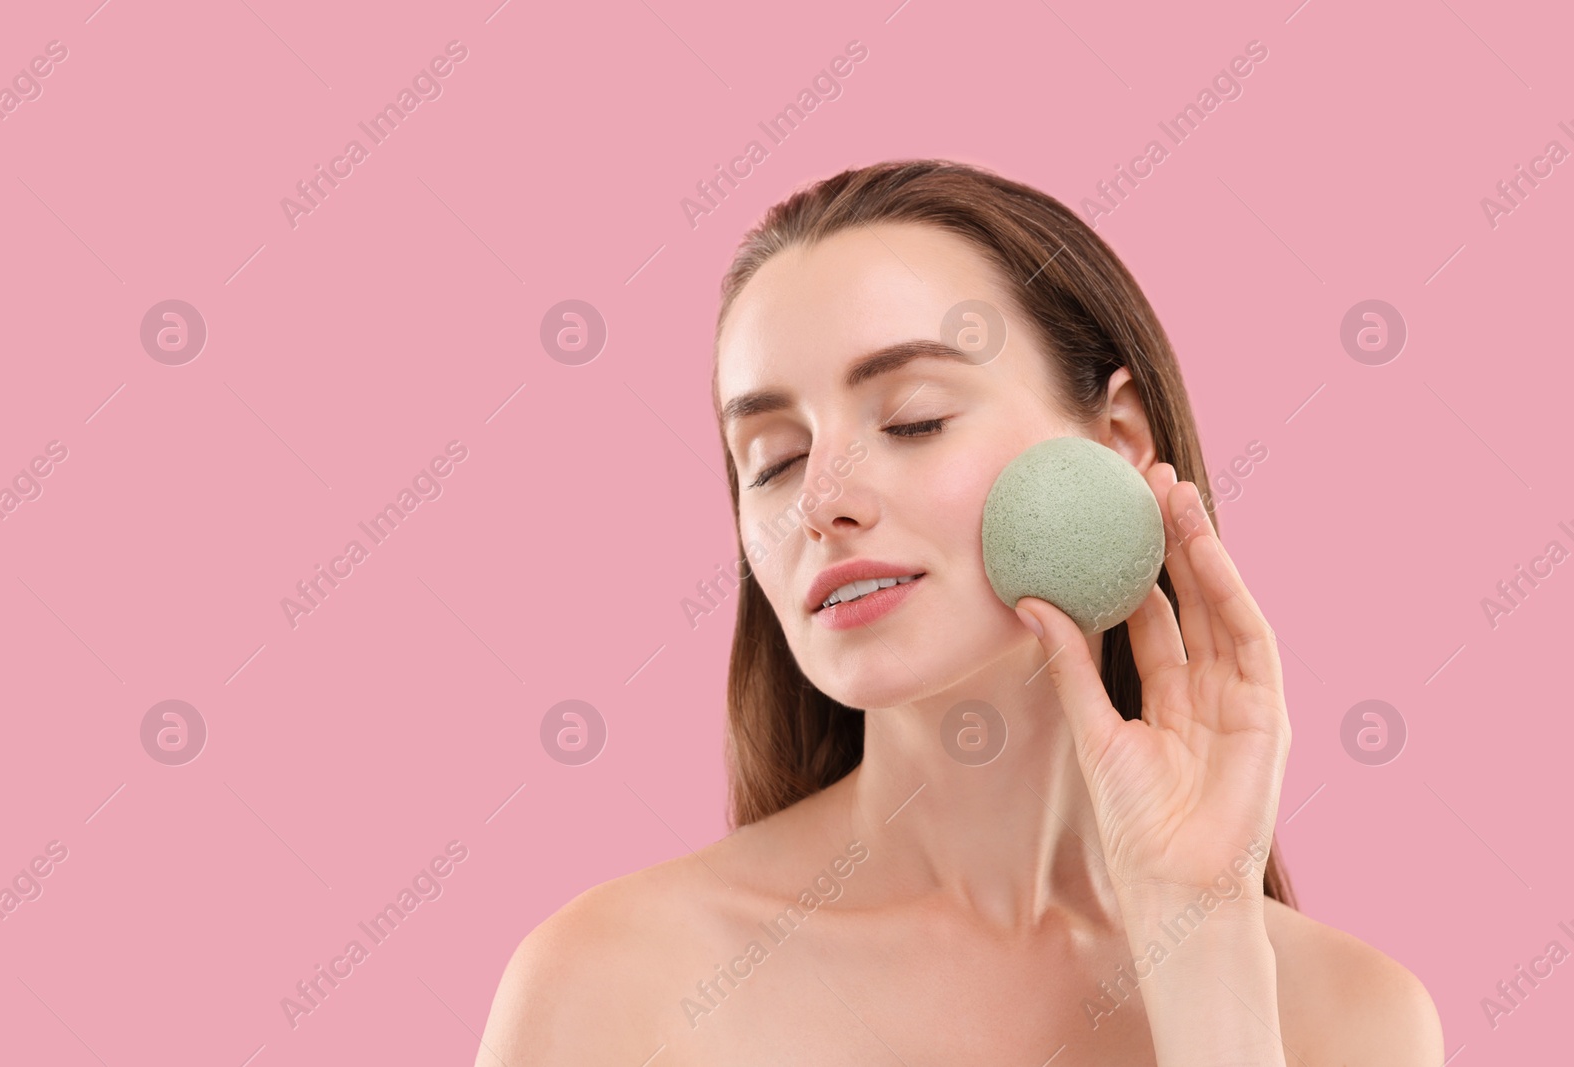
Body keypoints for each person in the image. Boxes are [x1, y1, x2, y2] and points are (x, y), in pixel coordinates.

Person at [474, 159, 1443, 1064]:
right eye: (769, 459)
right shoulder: (614, 987)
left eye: (912, 420)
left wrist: (1202, 933)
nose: (820, 499)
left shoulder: (1348, 1016)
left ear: (1113, 440)